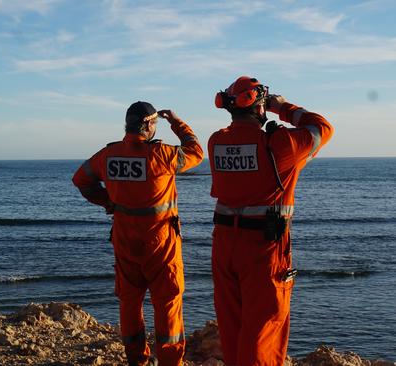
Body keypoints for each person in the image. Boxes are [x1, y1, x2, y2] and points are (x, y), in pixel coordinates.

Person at [208, 76, 334, 366]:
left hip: (224, 246)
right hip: (263, 249)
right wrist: (285, 108)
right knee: (264, 328)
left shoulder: (217, 141)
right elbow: (322, 129)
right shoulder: (279, 144)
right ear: (259, 105)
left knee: (233, 327)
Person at [72, 101, 203, 366]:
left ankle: (137, 361)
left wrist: (107, 201)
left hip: (124, 239)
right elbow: (196, 151)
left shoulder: (108, 156)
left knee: (130, 302)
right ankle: (169, 362)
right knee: (167, 303)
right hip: (160, 243)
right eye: (154, 123)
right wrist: (177, 122)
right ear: (148, 125)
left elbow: (81, 180)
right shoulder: (163, 155)